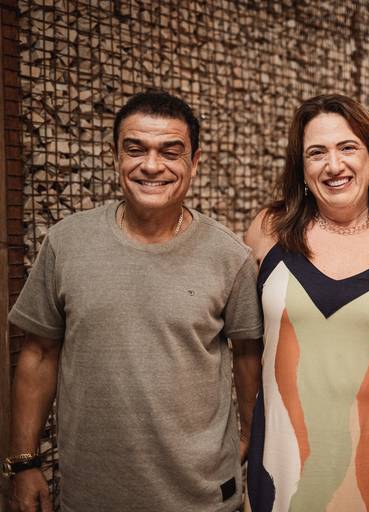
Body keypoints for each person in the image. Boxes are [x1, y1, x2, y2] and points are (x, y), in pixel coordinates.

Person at [4, 91, 263, 512]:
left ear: (195, 162)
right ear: (115, 156)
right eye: (135, 149)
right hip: (91, 497)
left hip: (202, 499)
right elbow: (38, 354)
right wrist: (24, 463)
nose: (151, 165)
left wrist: (250, 437)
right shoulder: (67, 243)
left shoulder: (229, 257)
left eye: (170, 152)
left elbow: (248, 354)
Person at [243, 94, 369, 512]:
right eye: (317, 153)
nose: (334, 165)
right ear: (301, 169)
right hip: (280, 463)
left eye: (348, 148)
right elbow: (245, 343)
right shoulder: (268, 230)